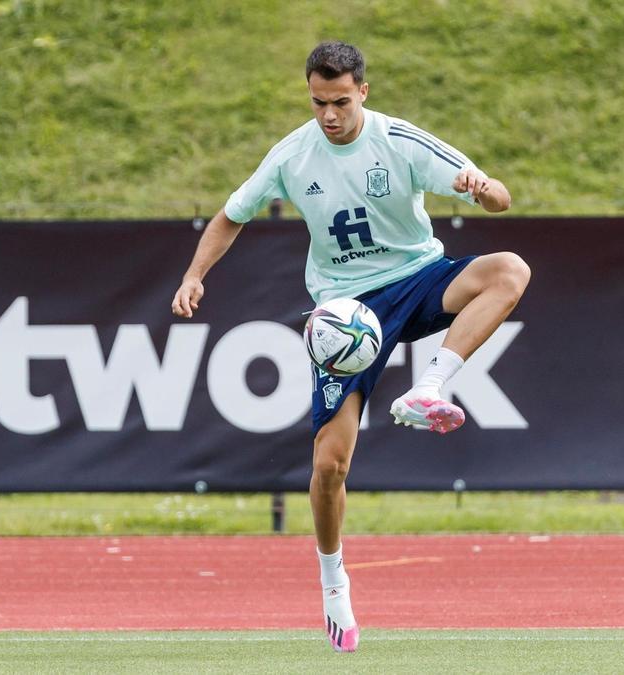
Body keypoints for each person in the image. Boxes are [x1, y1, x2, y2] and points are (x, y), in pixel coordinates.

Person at [170, 41, 529, 653]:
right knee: (330, 465)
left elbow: (500, 198)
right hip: (344, 313)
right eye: (318, 102)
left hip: (417, 281)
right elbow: (232, 215)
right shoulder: (291, 154)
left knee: (509, 271)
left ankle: (428, 387)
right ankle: (334, 582)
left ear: (363, 90)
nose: (329, 115)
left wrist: (482, 185)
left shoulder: (402, 143)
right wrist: (194, 274)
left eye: (340, 101)